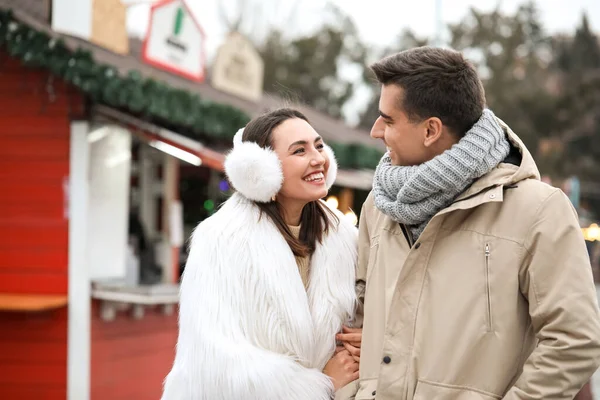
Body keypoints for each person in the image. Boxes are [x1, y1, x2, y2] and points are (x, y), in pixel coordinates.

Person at [348, 47, 600, 399]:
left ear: (431, 130)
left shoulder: (539, 210)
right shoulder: (378, 206)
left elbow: (575, 340)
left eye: (388, 120)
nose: (376, 131)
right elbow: (355, 319)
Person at [161, 108, 360, 400]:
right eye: (299, 151)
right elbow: (216, 365)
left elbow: (372, 313)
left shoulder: (344, 237)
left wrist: (367, 341)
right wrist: (321, 384)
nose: (318, 158)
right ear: (261, 170)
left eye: (318, 145)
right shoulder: (221, 240)